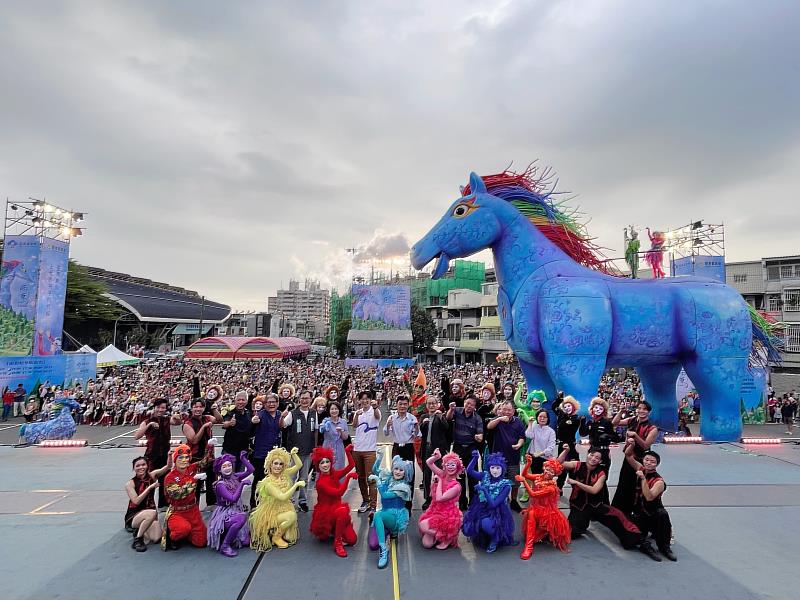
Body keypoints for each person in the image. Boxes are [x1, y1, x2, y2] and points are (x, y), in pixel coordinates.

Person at [557, 445, 657, 558]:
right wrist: (566, 451)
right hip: (579, 507)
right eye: (592, 455)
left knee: (619, 516)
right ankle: (580, 526)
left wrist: (577, 483)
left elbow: (594, 490)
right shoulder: (578, 464)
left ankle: (642, 542)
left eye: (597, 457)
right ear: (588, 454)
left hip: (597, 506)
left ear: (600, 461)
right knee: (571, 532)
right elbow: (558, 464)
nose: (593, 458)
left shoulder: (601, 473)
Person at [623, 444, 677, 561]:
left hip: (654, 513)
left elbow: (649, 497)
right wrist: (631, 443)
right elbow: (628, 455)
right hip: (639, 513)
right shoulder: (640, 469)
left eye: (652, 462)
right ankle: (646, 546)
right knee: (628, 541)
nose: (648, 463)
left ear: (656, 464)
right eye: (646, 460)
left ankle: (665, 548)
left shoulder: (659, 482)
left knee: (662, 515)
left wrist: (642, 479)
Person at [249, 446, 306, 551]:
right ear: (270, 464)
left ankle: (275, 532)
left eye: (281, 464)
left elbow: (299, 465)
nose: (278, 467)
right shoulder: (268, 483)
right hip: (270, 513)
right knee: (291, 516)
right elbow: (282, 497)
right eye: (275, 463)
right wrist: (296, 485)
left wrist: (293, 454)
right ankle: (276, 536)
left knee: (289, 535)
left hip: (283, 508)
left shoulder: (284, 474)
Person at [516, 456, 571, 559]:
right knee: (531, 516)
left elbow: (533, 494)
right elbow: (525, 475)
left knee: (533, 518)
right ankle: (530, 544)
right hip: (535, 508)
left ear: (555, 474)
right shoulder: (539, 477)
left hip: (547, 512)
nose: (547, 472)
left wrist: (523, 482)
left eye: (551, 471)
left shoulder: (551, 488)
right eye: (547, 468)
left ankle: (530, 546)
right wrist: (528, 464)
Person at [309, 445, 359, 557]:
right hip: (326, 514)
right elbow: (339, 493)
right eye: (322, 462)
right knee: (342, 511)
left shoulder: (334, 474)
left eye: (327, 461)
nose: (325, 464)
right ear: (318, 465)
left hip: (337, 510)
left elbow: (351, 465)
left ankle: (337, 530)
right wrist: (348, 477)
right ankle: (337, 543)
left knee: (352, 540)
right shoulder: (320, 483)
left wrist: (347, 452)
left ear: (331, 462)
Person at [462, 450, 515, 553]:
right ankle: (485, 535)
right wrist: (474, 459)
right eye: (492, 467)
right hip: (481, 506)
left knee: (486, 524)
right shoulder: (485, 475)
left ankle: (495, 539)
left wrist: (484, 490)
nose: (495, 471)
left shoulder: (506, 485)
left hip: (496, 511)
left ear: (503, 469)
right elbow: (469, 471)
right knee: (470, 525)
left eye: (498, 468)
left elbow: (494, 504)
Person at [162, 444, 212, 551]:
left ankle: (188, 534)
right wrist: (194, 480)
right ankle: (174, 538)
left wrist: (209, 447)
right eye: (180, 457)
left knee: (201, 542)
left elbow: (205, 462)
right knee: (182, 529)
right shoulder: (169, 477)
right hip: (177, 512)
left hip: (193, 510)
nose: (184, 460)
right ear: (175, 460)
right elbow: (178, 494)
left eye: (186, 457)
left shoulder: (191, 468)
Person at [369, 447, 413, 568]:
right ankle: (385, 531)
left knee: (377, 515)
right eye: (396, 469)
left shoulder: (403, 487)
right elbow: (375, 470)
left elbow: (384, 495)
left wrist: (378, 481)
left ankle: (384, 550)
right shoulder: (389, 478)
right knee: (372, 545)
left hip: (395, 518)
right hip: (385, 515)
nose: (398, 472)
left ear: (405, 473)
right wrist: (380, 457)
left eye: (401, 470)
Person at [612, 399, 658, 514]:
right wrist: (620, 411)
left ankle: (636, 511)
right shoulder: (631, 420)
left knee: (636, 485)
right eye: (639, 408)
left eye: (644, 409)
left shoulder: (652, 428)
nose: (641, 411)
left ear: (649, 412)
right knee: (623, 483)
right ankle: (619, 510)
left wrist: (635, 436)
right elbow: (615, 423)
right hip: (628, 457)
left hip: (641, 460)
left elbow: (646, 446)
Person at [208, 451, 254, 557]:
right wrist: (241, 484)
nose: (228, 468)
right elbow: (233, 499)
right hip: (224, 515)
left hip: (235, 511)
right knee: (242, 517)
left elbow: (251, 470)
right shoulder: (220, 485)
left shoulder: (235, 477)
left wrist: (243, 460)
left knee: (246, 542)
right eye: (224, 466)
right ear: (219, 470)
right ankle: (225, 546)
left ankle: (231, 536)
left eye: (229, 465)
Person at [282, 389, 319, 512]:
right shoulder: (292, 413)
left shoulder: (314, 413)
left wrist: (314, 448)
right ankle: (289, 499)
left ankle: (303, 501)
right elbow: (283, 425)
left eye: (307, 398)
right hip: (294, 453)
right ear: (299, 399)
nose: (304, 400)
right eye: (302, 398)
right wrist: (282, 417)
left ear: (311, 399)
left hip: (308, 451)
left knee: (304, 479)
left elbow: (316, 431)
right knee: (291, 478)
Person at [418, 448, 463, 549]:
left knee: (423, 525)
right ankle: (440, 536)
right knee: (427, 544)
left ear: (457, 467)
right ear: (444, 466)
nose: (450, 467)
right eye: (448, 464)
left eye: (453, 465)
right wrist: (436, 457)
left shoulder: (456, 486)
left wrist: (439, 482)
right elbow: (428, 463)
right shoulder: (442, 474)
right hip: (435, 511)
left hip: (447, 516)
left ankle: (448, 536)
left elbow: (439, 498)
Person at [125, 455, 171, 552]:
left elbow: (168, 466)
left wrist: (169, 455)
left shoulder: (152, 475)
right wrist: (150, 488)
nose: (141, 467)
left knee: (156, 538)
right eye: (138, 466)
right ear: (134, 468)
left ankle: (140, 529)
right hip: (134, 516)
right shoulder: (130, 484)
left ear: (147, 466)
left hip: (149, 514)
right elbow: (136, 501)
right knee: (153, 512)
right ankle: (138, 539)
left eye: (143, 465)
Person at [446, 394, 484, 510]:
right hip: (458, 448)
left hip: (471, 448)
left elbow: (481, 435)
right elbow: (448, 418)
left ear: (475, 407)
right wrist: (451, 409)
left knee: (473, 476)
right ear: (464, 403)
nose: (469, 406)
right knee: (459, 476)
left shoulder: (477, 418)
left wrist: (479, 437)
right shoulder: (456, 411)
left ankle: (474, 501)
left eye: (471, 405)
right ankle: (462, 501)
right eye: (467, 403)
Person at [486, 400, 525, 512]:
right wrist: (499, 419)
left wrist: (519, 444)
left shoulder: (518, 422)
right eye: (505, 410)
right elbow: (489, 426)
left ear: (513, 411)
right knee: (497, 480)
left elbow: (522, 437)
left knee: (515, 481)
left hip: (513, 457)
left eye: (509, 410)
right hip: (498, 459)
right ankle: (498, 500)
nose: (507, 412)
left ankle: (513, 500)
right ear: (501, 410)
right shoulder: (497, 420)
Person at [383, 394, 419, 512]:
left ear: (408, 405)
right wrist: (388, 426)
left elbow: (418, 435)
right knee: (395, 475)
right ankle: (396, 503)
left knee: (409, 476)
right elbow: (386, 433)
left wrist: (417, 428)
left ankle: (407, 505)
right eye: (400, 404)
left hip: (408, 447)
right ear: (396, 405)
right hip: (396, 448)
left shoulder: (412, 418)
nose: (402, 406)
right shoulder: (392, 418)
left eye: (405, 404)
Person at [183, 398, 222, 506]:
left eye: (201, 407)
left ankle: (212, 504)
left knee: (211, 482)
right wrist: (204, 427)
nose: (198, 409)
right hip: (196, 458)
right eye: (195, 406)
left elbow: (219, 420)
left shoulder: (207, 417)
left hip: (209, 456)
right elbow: (194, 440)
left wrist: (215, 410)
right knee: (195, 484)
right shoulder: (188, 423)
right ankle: (193, 507)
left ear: (204, 408)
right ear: (192, 408)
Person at [249, 393, 284, 509]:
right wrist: (253, 423)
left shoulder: (280, 415)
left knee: (273, 479)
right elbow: (252, 429)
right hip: (261, 453)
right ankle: (255, 503)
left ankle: (270, 503)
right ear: (265, 404)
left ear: (278, 403)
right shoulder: (260, 415)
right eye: (269, 402)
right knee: (259, 479)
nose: (271, 404)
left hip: (275, 454)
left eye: (274, 402)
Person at [351, 390, 381, 515]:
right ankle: (365, 501)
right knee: (361, 478)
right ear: (359, 400)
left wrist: (375, 407)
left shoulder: (375, 411)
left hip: (369, 451)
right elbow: (354, 426)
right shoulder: (358, 413)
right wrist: (357, 415)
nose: (364, 401)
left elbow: (378, 417)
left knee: (371, 479)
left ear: (371, 400)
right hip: (357, 450)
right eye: (362, 399)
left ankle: (373, 505)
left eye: (367, 399)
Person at [579, 397, 618, 470]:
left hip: (603, 451)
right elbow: (583, 434)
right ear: (592, 408)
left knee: (602, 473)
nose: (597, 410)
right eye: (596, 407)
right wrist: (582, 423)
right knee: (590, 473)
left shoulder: (606, 422)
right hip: (592, 450)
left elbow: (616, 438)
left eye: (600, 409)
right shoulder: (590, 422)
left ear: (604, 411)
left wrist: (607, 436)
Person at [552, 395, 581, 490]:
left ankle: (576, 490)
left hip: (571, 446)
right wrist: (560, 399)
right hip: (561, 445)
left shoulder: (576, 418)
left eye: (569, 406)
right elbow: (554, 407)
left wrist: (563, 415)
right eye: (565, 407)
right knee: (560, 469)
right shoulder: (561, 415)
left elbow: (568, 424)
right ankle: (558, 489)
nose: (567, 408)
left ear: (573, 406)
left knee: (574, 469)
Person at [221, 391, 253, 470]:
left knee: (240, 476)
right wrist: (229, 423)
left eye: (243, 400)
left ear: (246, 401)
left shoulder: (248, 413)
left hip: (243, 452)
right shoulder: (229, 412)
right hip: (229, 451)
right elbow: (224, 424)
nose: (240, 402)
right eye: (238, 400)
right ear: (235, 401)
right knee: (228, 475)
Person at [319, 401, 350, 470]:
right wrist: (323, 426)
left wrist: (341, 431)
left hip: (339, 448)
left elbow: (345, 437)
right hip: (327, 447)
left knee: (339, 469)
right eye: (332, 409)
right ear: (329, 411)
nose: (334, 411)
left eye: (336, 409)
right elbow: (321, 430)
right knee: (327, 468)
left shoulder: (343, 422)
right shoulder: (326, 421)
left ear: (339, 410)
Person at [524, 409, 556, 475]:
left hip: (546, 459)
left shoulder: (551, 431)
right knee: (535, 478)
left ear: (548, 419)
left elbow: (551, 446)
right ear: (537, 418)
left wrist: (541, 453)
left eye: (544, 417)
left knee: (544, 480)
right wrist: (530, 423)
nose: (542, 419)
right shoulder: (534, 427)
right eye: (540, 416)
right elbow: (528, 435)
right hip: (534, 458)